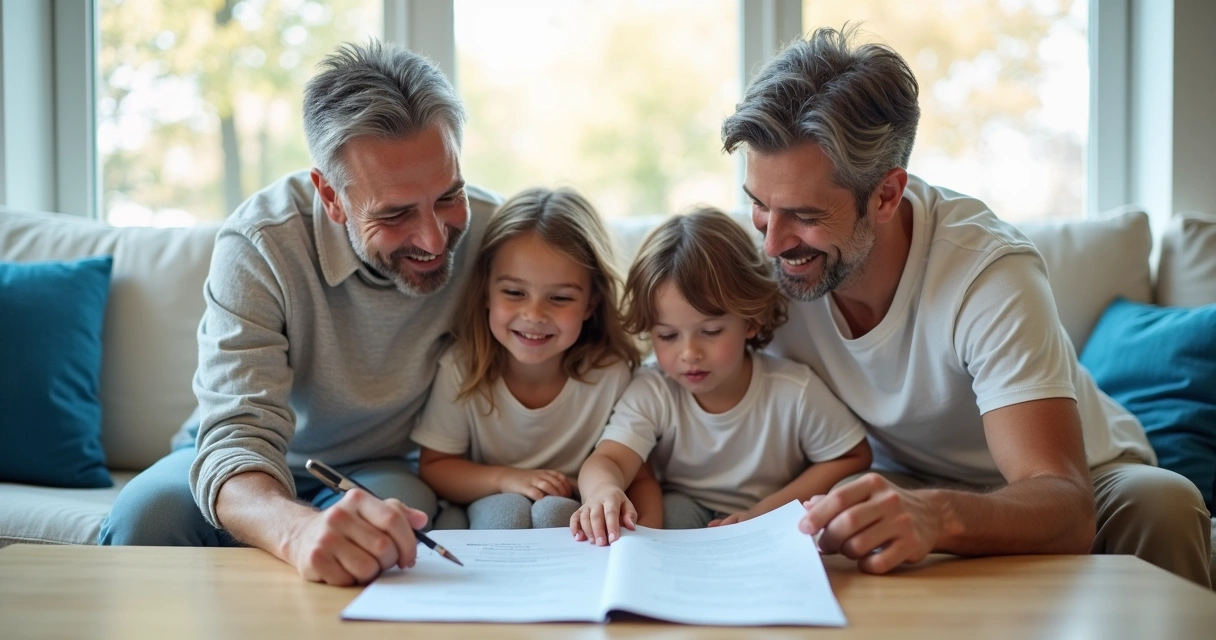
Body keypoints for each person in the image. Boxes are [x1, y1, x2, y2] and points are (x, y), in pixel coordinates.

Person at [722, 26, 1212, 586]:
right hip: (893, 477)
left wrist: (938, 515)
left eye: (805, 217)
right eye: (759, 205)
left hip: (1063, 481)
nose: (771, 242)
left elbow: (1066, 502)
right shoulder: (755, 258)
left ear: (885, 195)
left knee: (1165, 501)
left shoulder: (987, 272)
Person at [98, 41, 500, 586]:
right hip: (252, 457)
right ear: (330, 196)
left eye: (449, 195)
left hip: (381, 465)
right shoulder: (260, 244)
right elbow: (237, 435)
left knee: (398, 521)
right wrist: (295, 530)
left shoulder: (496, 234)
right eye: (396, 213)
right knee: (145, 514)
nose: (434, 238)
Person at [571, 208, 872, 545]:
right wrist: (603, 490)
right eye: (668, 336)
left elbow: (852, 455)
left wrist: (766, 511)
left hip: (767, 514)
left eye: (711, 331)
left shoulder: (793, 391)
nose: (689, 353)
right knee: (668, 520)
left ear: (751, 321)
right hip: (682, 507)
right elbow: (609, 458)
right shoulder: (654, 389)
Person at [412, 187, 660, 530]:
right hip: (488, 495)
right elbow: (436, 466)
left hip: (578, 505)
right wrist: (507, 479)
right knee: (508, 514)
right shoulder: (462, 368)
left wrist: (648, 535)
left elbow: (639, 474)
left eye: (559, 298)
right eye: (514, 293)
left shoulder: (611, 374)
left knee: (554, 513)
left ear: (591, 303)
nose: (534, 314)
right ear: (486, 291)